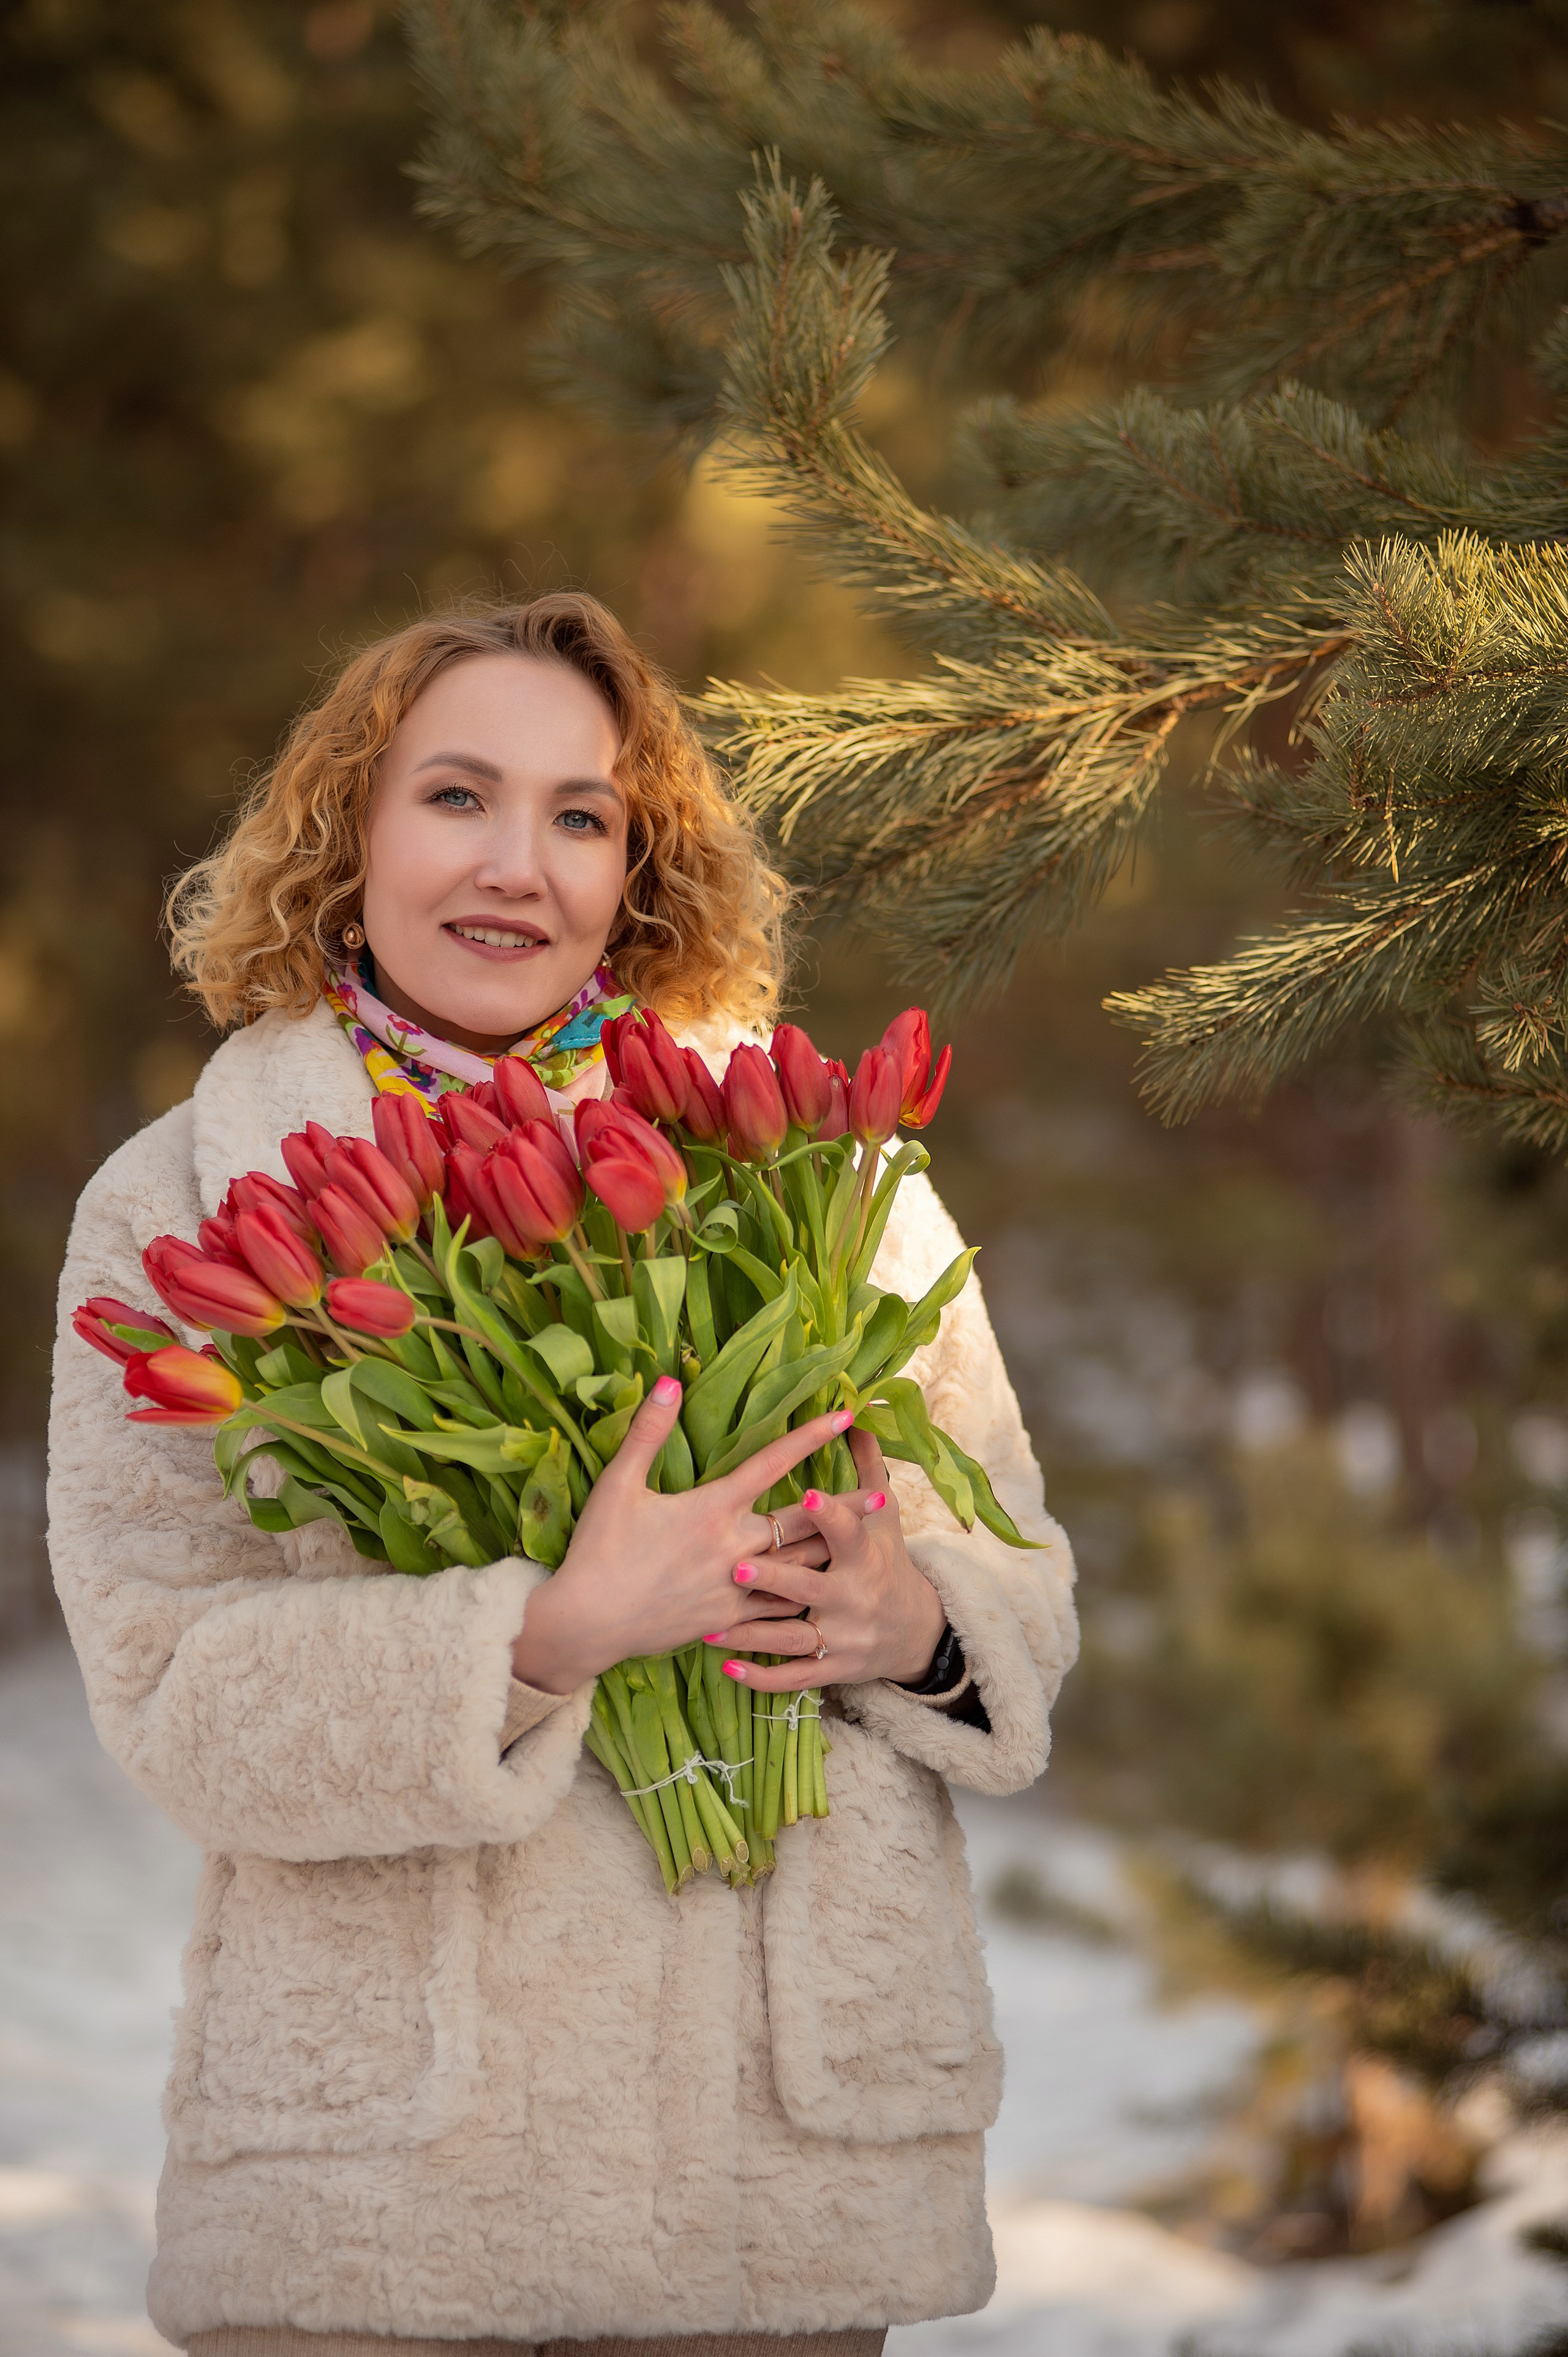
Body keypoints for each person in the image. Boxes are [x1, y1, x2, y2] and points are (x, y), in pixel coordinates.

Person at [47, 594, 1077, 2357]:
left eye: (581, 815)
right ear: (348, 829)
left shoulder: (820, 1154)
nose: (517, 865)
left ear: (636, 864)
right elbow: (171, 1691)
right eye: (457, 797)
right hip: (391, 2186)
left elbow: (1022, 1582)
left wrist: (914, 1618)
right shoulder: (184, 1200)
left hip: (773, 2160)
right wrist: (535, 1638)